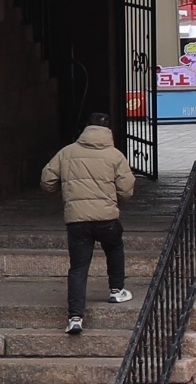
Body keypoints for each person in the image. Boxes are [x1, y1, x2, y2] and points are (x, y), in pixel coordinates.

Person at [43, 120, 140, 333]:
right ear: (108, 131)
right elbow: (126, 188)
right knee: (114, 248)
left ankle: (75, 317)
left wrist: (62, 195)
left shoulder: (66, 152)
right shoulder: (115, 155)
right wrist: (117, 201)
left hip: (77, 220)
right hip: (107, 218)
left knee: (78, 267)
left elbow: (47, 180)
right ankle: (116, 290)